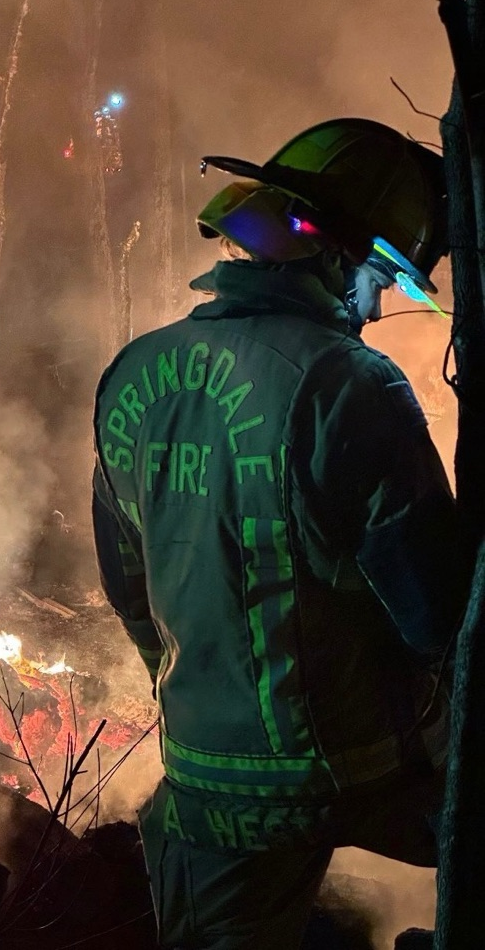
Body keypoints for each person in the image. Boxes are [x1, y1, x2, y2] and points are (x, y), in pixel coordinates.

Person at [91, 119, 466, 949]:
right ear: (335, 258)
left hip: (206, 784)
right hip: (361, 769)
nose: (378, 303)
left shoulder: (134, 374)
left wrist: (200, 701)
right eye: (380, 276)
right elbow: (438, 614)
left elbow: (129, 584)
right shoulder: (351, 383)